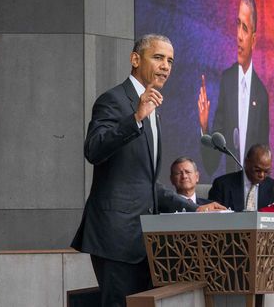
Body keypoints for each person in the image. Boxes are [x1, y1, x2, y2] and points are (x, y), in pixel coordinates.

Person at [71, 34, 225, 307]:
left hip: (146, 241)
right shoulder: (114, 100)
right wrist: (135, 118)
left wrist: (194, 208)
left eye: (170, 60)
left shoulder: (154, 108)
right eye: (158, 57)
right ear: (135, 59)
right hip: (115, 236)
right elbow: (93, 150)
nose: (166, 66)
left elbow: (147, 183)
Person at [198, 0, 269, 175]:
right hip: (230, 184)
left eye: (245, 28)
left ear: (253, 39)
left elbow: (265, 152)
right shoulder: (227, 81)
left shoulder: (261, 94)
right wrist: (205, 127)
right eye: (238, 24)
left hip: (253, 186)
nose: (238, 35)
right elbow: (212, 163)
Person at [208, 144, 274, 211]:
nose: (262, 175)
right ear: (246, 162)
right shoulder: (222, 185)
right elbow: (212, 216)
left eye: (266, 171)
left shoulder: (273, 187)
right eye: (257, 170)